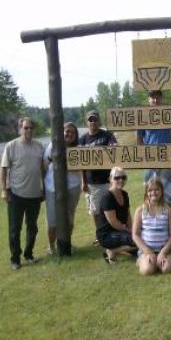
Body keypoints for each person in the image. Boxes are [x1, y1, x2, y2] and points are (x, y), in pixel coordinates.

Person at [1, 117, 44, 270]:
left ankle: (29, 254)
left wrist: (43, 189)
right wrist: (4, 190)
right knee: (14, 229)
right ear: (20, 129)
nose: (29, 130)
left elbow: (43, 170)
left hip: (34, 195)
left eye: (31, 128)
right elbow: (4, 169)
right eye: (25, 128)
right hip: (16, 194)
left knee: (32, 227)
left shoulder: (39, 146)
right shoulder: (11, 146)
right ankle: (15, 259)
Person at [137, 90, 171, 206]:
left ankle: (167, 222)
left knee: (168, 195)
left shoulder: (169, 116)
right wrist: (145, 154)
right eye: (152, 97)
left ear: (161, 99)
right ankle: (153, 223)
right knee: (151, 194)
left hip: (167, 160)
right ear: (149, 99)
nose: (155, 100)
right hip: (150, 161)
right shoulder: (143, 117)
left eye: (158, 97)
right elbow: (139, 140)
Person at [79, 110, 117, 245]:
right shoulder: (82, 140)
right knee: (94, 210)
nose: (93, 122)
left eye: (95, 119)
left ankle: (112, 231)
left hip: (108, 179)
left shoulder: (107, 135)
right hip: (91, 182)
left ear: (99, 121)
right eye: (90, 120)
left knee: (110, 207)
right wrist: (83, 181)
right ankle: (99, 235)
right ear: (87, 122)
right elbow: (80, 163)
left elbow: (115, 148)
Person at [44, 122, 81, 254]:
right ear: (61, 132)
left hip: (73, 186)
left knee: (69, 218)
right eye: (66, 131)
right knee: (52, 220)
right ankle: (51, 246)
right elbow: (44, 165)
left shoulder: (78, 148)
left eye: (72, 132)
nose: (68, 133)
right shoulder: (52, 146)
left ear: (75, 135)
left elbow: (83, 167)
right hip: (52, 187)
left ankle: (67, 244)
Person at [132, 177, 171, 275]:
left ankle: (167, 258)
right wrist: (148, 252)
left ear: (161, 191)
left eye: (156, 189)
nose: (153, 193)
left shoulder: (168, 210)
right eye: (150, 190)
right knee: (147, 271)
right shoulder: (140, 210)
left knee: (166, 269)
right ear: (146, 192)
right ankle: (142, 260)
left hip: (164, 249)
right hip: (146, 250)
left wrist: (163, 252)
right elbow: (135, 234)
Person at [97, 167, 136, 264]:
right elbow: (113, 222)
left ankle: (120, 249)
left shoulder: (124, 194)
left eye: (123, 177)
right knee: (137, 240)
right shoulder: (107, 197)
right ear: (110, 179)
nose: (121, 180)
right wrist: (130, 232)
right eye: (117, 178)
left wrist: (133, 229)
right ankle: (111, 251)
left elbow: (128, 216)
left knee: (141, 239)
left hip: (120, 231)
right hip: (107, 235)